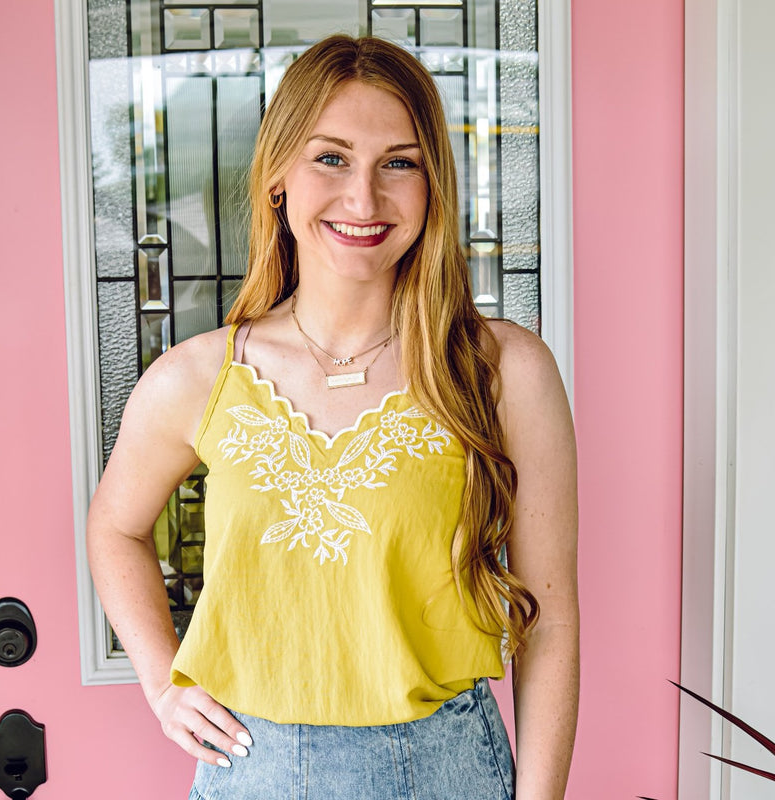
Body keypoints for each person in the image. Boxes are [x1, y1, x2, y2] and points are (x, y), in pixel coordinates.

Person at [87, 34, 579, 800]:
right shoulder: (196, 377)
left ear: (433, 184)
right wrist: (162, 683)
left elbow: (549, 621)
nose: (363, 200)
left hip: (450, 769)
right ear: (279, 176)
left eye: (399, 162)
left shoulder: (503, 372)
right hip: (253, 768)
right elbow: (114, 527)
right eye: (331, 158)